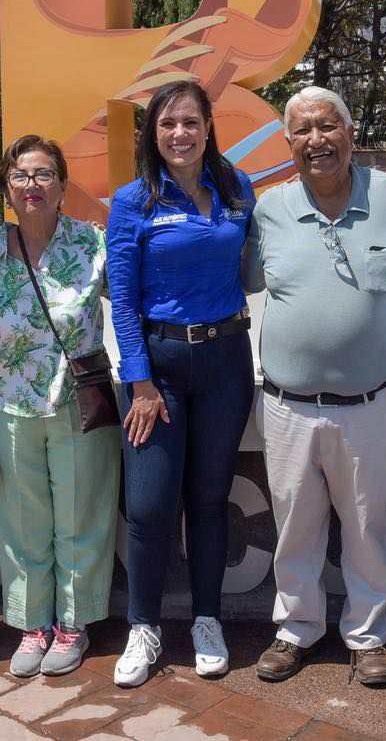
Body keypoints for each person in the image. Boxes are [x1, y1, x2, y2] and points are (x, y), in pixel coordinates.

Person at [243, 87, 386, 686]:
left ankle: (368, 636)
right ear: (289, 144)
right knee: (295, 526)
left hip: (369, 403)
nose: (316, 140)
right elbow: (232, 278)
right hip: (288, 406)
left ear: (350, 134)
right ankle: (296, 630)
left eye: (328, 127)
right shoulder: (269, 211)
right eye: (303, 131)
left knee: (368, 525)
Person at [105, 81, 256, 687]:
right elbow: (121, 300)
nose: (180, 134)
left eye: (190, 122)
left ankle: (206, 619)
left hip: (225, 362)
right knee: (147, 506)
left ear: (208, 125)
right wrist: (139, 382)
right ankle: (144, 626)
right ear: (152, 133)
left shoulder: (235, 187)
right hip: (158, 370)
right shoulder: (132, 201)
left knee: (210, 499)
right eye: (167, 124)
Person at [0, 135, 120, 678]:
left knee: (82, 518)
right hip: (10, 405)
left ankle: (73, 625)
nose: (32, 185)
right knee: (23, 524)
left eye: (44, 174)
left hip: (80, 404)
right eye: (21, 176)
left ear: (62, 185)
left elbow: (132, 306)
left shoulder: (92, 245)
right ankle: (33, 624)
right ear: (8, 188)